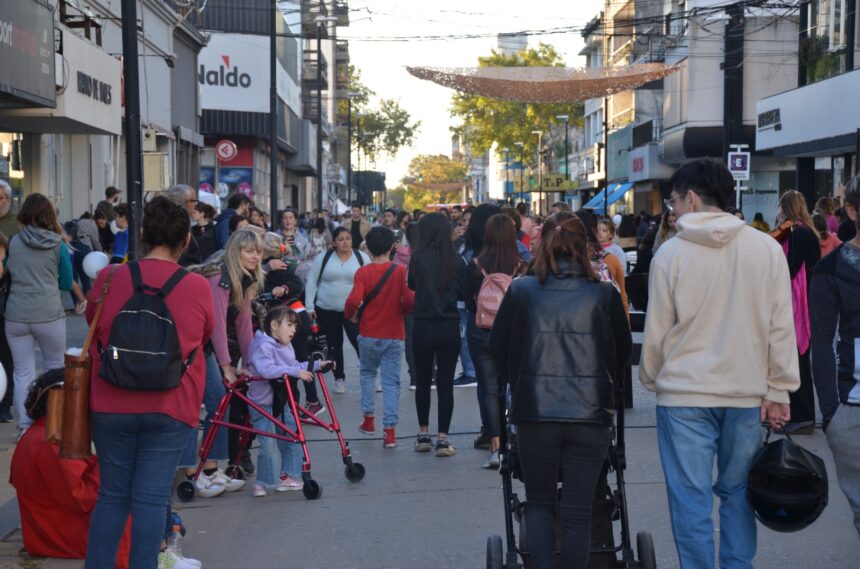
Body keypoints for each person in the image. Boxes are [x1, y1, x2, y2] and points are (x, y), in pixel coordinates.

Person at [640, 158, 798, 569]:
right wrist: (778, 388)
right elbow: (781, 326)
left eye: (673, 201)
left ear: (691, 198)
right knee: (739, 492)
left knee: (689, 499)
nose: (671, 210)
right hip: (745, 392)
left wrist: (653, 377)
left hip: (684, 395)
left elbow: (657, 330)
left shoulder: (670, 255)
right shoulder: (765, 248)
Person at [489, 213, 631, 569]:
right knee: (578, 510)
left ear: (543, 244)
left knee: (538, 503)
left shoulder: (521, 291)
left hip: (536, 411)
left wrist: (518, 377)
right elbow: (622, 351)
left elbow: (498, 348)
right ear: (584, 246)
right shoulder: (603, 293)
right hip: (590, 415)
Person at [85, 196, 215, 568]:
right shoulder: (197, 287)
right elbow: (202, 337)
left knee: (112, 495)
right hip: (171, 406)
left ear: (141, 235)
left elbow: (92, 323)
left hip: (111, 402)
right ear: (186, 241)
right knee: (151, 497)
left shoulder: (109, 278)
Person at [10, 369, 131, 567]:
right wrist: (110, 459)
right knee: (135, 506)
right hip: (64, 537)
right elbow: (82, 499)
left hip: (57, 532)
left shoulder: (45, 434)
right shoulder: (50, 443)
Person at [810, 174, 860, 537]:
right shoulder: (831, 269)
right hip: (852, 408)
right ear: (852, 210)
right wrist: (831, 415)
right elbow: (821, 342)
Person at [5, 193, 73, 437]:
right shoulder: (58, 244)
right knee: (55, 367)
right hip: (48, 313)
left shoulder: (13, 241)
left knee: (22, 371)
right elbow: (66, 282)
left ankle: (24, 426)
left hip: (16, 314)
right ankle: (52, 424)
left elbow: (9, 271)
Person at [203, 228, 265, 482]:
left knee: (220, 401)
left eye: (258, 251)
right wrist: (227, 365)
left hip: (206, 345)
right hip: (195, 345)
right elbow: (217, 324)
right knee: (218, 400)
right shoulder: (220, 277)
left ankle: (212, 466)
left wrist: (251, 363)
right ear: (234, 252)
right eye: (248, 251)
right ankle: (207, 468)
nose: (255, 256)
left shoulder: (244, 277)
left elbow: (243, 324)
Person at [345, 227, 414, 447]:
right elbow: (410, 300)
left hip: (368, 332)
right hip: (394, 333)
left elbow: (353, 301)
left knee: (367, 374)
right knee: (391, 382)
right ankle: (390, 431)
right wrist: (402, 311)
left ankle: (368, 420)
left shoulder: (363, 273)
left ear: (369, 248)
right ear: (391, 247)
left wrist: (351, 316)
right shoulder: (400, 272)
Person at [247, 306, 327, 497]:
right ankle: (262, 482)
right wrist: (292, 371)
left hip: (281, 400)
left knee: (292, 435)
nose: (293, 330)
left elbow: (293, 366)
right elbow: (267, 369)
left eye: (295, 326)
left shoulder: (285, 345)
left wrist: (316, 365)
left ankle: (288, 476)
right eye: (289, 325)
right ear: (274, 325)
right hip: (262, 404)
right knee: (267, 444)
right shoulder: (263, 346)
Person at [464, 214, 522, 469]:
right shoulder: (520, 264)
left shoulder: (476, 264)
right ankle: (516, 437)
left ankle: (496, 446)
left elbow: (465, 299)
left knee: (488, 388)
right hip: (512, 332)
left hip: (481, 332)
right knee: (514, 384)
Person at [408, 213, 466, 457]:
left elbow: (411, 285)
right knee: (445, 384)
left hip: (422, 325)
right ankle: (443, 438)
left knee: (422, 381)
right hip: (448, 325)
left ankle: (423, 434)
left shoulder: (417, 257)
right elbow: (463, 290)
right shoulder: (456, 259)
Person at [305, 227, 370, 394]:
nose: (345, 242)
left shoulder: (361, 257)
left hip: (353, 310)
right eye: (340, 239)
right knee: (334, 345)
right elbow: (311, 282)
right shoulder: (324, 258)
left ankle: (369, 376)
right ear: (333, 242)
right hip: (326, 308)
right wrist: (309, 307)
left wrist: (368, 306)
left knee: (360, 343)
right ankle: (339, 378)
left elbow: (371, 283)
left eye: (348, 238)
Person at [777, 190, 821, 434]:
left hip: (799, 306)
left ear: (787, 208)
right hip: (799, 303)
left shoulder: (800, 233)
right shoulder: (799, 231)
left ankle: (803, 416)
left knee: (798, 361)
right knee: (796, 360)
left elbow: (789, 267)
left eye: (780, 207)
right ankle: (798, 415)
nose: (778, 211)